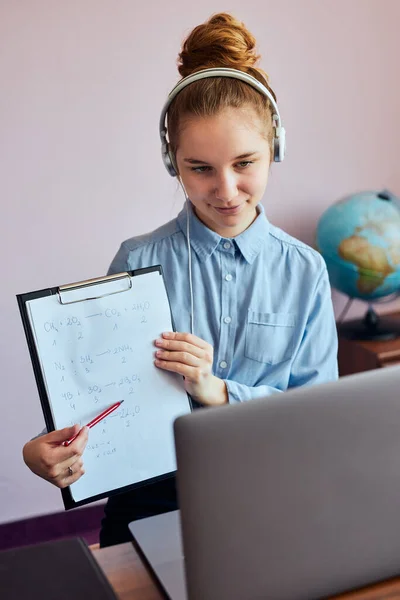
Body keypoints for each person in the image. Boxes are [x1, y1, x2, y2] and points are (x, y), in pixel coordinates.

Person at [23, 12, 338, 547]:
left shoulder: (304, 270)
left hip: (269, 495)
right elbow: (102, 403)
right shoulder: (136, 260)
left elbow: (317, 420)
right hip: (152, 500)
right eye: (200, 168)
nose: (227, 189)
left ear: (275, 150)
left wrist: (217, 393)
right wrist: (49, 452)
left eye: (245, 163)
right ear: (172, 162)